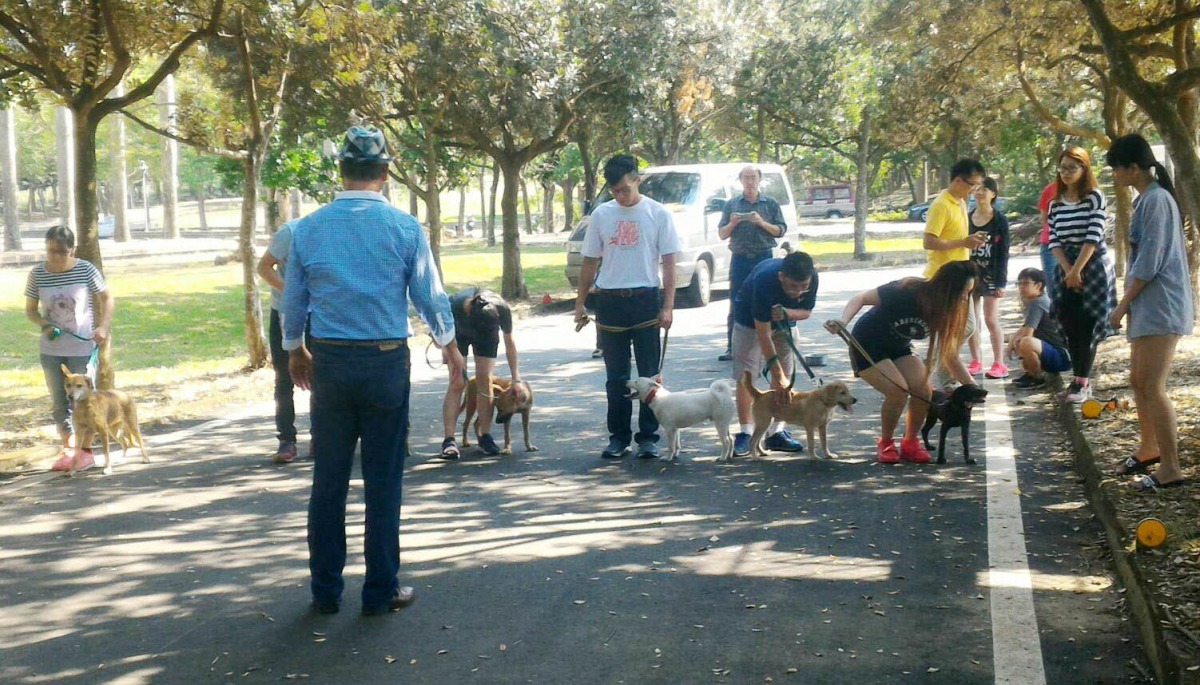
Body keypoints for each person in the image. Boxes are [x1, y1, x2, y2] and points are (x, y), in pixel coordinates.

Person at [281, 126, 464, 616]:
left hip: (331, 364)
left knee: (329, 479)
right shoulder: (405, 228)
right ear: (385, 174)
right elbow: (429, 293)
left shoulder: (307, 229)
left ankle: (324, 591)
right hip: (384, 361)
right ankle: (381, 590)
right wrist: (449, 345)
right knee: (383, 479)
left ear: (340, 171)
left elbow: (294, 300)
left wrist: (294, 348)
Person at [573, 154, 681, 460]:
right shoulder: (601, 215)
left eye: (626, 189)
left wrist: (668, 306)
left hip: (646, 298)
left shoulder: (658, 213)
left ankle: (648, 437)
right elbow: (590, 261)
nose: (621, 195)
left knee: (649, 374)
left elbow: (670, 262)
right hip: (610, 302)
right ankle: (618, 437)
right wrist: (581, 303)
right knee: (616, 377)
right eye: (615, 191)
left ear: (638, 180)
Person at [1106, 134, 1194, 490]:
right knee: (1138, 382)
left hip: (1162, 305)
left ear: (1134, 167)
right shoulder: (1146, 200)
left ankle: (1172, 467)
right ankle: (1149, 449)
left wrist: (1123, 303)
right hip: (1148, 305)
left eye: (1117, 168)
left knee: (1153, 386)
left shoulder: (1156, 201)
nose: (1115, 175)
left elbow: (1151, 260)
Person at [825, 261, 978, 464]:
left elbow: (950, 356)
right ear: (947, 289)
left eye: (968, 294)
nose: (965, 300)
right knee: (898, 389)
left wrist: (972, 389)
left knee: (924, 389)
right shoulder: (907, 291)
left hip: (899, 346)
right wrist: (843, 321)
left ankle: (910, 442)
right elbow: (862, 298)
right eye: (963, 293)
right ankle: (886, 443)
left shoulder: (948, 310)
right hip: (867, 343)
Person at [24, 226, 114, 471]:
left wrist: (103, 327)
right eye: (51, 251)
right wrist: (44, 325)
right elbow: (31, 310)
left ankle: (85, 451)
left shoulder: (85, 269)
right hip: (51, 351)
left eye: (62, 252)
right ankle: (69, 449)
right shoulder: (37, 274)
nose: (56, 256)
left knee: (85, 402)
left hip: (82, 348)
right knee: (60, 402)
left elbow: (108, 299)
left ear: (72, 249)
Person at [730, 251, 818, 457]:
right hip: (749, 321)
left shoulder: (811, 277)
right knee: (747, 375)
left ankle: (776, 432)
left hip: (785, 321)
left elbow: (806, 311)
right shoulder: (765, 281)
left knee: (786, 376)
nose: (798, 292)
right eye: (793, 287)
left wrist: (787, 312)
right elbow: (763, 334)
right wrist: (775, 373)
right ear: (781, 277)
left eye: (803, 286)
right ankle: (746, 432)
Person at [1047, 146, 1116, 403]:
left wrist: (1078, 270)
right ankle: (1076, 381)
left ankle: (1083, 382)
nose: (1066, 173)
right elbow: (1053, 239)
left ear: (1084, 169)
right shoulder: (1055, 203)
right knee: (1069, 322)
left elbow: (1093, 235)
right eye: (1062, 168)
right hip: (1065, 266)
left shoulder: (1094, 197)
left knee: (1088, 323)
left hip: (1093, 264)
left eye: (1071, 168)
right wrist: (1068, 270)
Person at [923, 159, 987, 386]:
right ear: (958, 180)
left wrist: (970, 242)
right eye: (972, 185)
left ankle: (941, 367)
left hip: (962, 277)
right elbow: (929, 242)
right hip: (944, 278)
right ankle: (944, 374)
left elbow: (958, 240)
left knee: (968, 326)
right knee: (961, 326)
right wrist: (962, 242)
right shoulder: (941, 205)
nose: (974, 190)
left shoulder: (960, 202)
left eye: (978, 186)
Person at [440, 286, 520, 459]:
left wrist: (516, 378)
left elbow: (509, 343)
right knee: (457, 382)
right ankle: (449, 440)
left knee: (485, 379)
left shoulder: (501, 308)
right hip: (457, 335)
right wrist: (446, 349)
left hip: (487, 336)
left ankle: (485, 436)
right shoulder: (453, 306)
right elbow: (436, 327)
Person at [717, 166, 787, 361]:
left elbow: (780, 230)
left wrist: (761, 222)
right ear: (740, 180)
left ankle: (771, 344)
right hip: (740, 259)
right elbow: (722, 233)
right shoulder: (731, 204)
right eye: (746, 178)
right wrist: (733, 223)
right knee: (737, 301)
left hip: (764, 258)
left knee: (768, 301)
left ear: (759, 179)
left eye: (753, 177)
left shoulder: (770, 204)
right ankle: (733, 346)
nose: (750, 181)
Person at [256, 219, 309, 464]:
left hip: (320, 311)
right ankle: (286, 439)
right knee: (285, 376)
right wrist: (290, 292)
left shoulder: (332, 229)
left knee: (323, 375)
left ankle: (321, 435)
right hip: (284, 310)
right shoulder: (291, 231)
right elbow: (264, 267)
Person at [967, 177, 1011, 379]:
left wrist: (1001, 282)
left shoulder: (999, 220)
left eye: (985, 189)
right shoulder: (967, 217)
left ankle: (999, 363)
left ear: (993, 194)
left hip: (992, 274)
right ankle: (976, 360)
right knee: (971, 320)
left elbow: (1003, 253)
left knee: (990, 319)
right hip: (969, 275)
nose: (980, 192)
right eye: (977, 189)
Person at [1006, 268, 1072, 389]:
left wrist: (1016, 344)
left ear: (1038, 285)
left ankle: (1036, 377)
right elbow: (1025, 326)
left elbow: (1028, 333)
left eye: (1025, 283)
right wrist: (1011, 342)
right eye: (1019, 283)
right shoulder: (1036, 301)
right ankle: (1030, 373)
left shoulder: (1038, 303)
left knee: (1025, 342)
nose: (1021, 287)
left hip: (1062, 356)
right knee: (1017, 338)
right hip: (1053, 352)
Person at [1036, 180, 1059, 299]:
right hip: (1049, 245)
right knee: (1054, 290)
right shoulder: (1050, 189)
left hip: (1077, 246)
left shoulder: (1089, 191)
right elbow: (1044, 217)